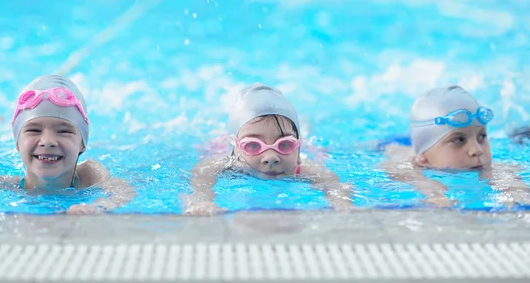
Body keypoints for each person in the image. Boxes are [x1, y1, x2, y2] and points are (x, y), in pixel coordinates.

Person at [0, 75, 135, 215]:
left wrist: (99, 207)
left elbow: (122, 191)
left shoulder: (90, 174)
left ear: (82, 143)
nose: (47, 141)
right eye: (33, 130)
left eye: (64, 130)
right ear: (17, 142)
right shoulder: (3, 184)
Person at [184, 83, 353, 215]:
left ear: (298, 148)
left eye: (285, 144)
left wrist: (341, 202)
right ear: (235, 148)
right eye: (253, 145)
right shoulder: (227, 164)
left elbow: (333, 186)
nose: (271, 157)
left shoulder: (306, 169)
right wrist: (200, 202)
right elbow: (201, 177)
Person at [382, 85, 530, 207]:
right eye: (459, 140)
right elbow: (396, 171)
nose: (477, 150)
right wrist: (433, 194)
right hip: (392, 144)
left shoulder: (491, 167)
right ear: (423, 157)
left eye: (482, 137)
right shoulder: (407, 165)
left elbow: (508, 179)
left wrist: (516, 193)